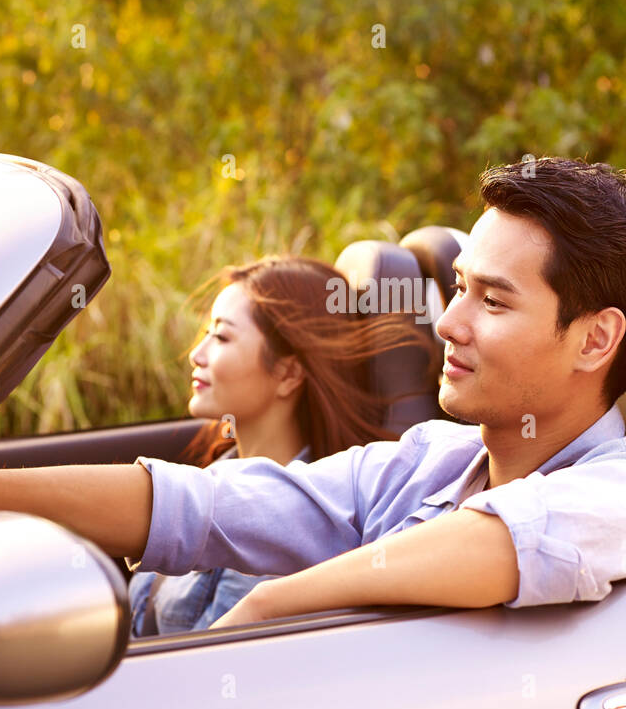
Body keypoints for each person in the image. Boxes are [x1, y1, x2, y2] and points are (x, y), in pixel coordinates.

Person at [0, 158, 626, 625]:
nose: (449, 322)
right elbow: (206, 504)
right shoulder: (426, 460)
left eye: (494, 301)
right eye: (458, 289)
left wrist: (265, 606)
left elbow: (513, 536)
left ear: (595, 339)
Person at [128, 255, 433, 635]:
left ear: (288, 373)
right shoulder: (220, 468)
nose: (196, 354)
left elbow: (203, 664)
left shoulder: (280, 540)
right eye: (207, 332)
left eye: (221, 336)